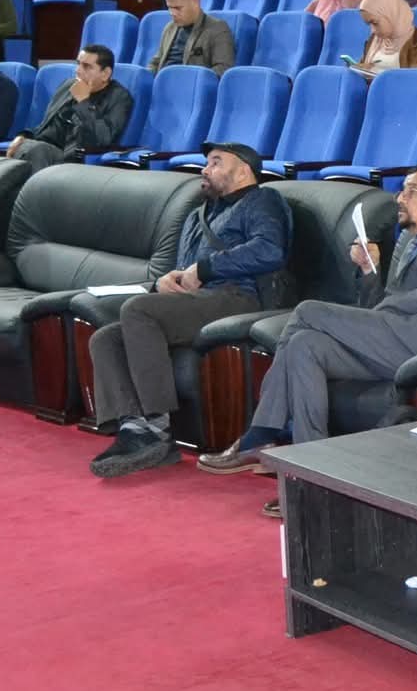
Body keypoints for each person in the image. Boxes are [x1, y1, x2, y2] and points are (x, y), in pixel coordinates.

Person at [200, 165, 417, 497]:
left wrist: (388, 305)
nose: (400, 198)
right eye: (401, 190)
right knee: (304, 344)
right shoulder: (409, 241)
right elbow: (377, 304)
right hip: (395, 337)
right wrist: (370, 270)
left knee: (308, 311)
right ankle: (312, 471)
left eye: (412, 191)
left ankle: (263, 430)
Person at [86, 143, 295, 478]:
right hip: (197, 300)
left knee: (138, 310)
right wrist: (165, 281)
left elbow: (269, 249)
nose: (205, 169)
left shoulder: (263, 200)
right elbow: (184, 268)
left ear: (243, 170)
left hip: (239, 297)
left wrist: (207, 268)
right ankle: (134, 429)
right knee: (106, 338)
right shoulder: (198, 213)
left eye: (216, 162)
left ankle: (156, 428)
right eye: (206, 163)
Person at [7, 45, 134, 170]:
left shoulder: (119, 97)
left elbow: (104, 139)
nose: (78, 71)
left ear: (105, 73)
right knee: (22, 148)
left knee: (36, 150)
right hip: (46, 151)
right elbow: (46, 127)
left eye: (87, 66)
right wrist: (24, 136)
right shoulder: (68, 86)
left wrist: (84, 102)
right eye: (78, 64)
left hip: (77, 159)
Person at [147, 0, 236, 76]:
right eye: (169, 8)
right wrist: (146, 76)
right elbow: (156, 63)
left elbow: (223, 69)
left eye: (177, 8)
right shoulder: (169, 28)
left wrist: (191, 79)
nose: (172, 13)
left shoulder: (217, 28)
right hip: (162, 82)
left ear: (195, 2)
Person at [354, 0, 417, 76]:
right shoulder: (374, 40)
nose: (373, 30)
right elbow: (364, 67)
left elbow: (416, 77)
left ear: (390, 14)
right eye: (369, 24)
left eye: (375, 23)